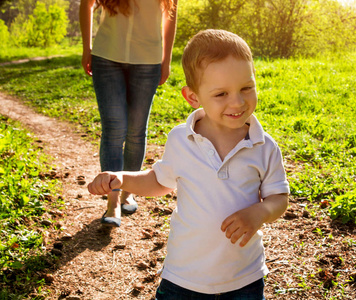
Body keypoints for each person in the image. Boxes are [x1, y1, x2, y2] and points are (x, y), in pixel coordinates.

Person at [88, 29, 289, 299]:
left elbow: (279, 197)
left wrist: (259, 213)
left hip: (244, 278)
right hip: (184, 278)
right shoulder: (181, 140)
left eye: (246, 88)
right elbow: (158, 181)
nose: (238, 101)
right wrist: (122, 178)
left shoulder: (264, 146)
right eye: (221, 94)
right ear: (193, 97)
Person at [79, 0, 178, 227]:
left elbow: (170, 16)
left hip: (148, 60)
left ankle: (128, 192)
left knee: (135, 131)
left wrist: (167, 59)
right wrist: (87, 48)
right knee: (114, 129)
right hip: (106, 57)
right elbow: (86, 4)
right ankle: (112, 202)